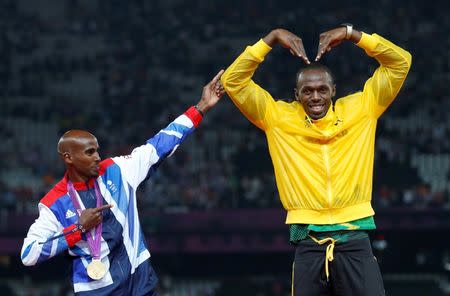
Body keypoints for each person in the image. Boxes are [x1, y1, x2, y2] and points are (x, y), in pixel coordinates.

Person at [221, 25, 411, 296]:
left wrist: (351, 34)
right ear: (296, 94)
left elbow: (400, 62)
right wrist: (270, 39)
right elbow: (233, 81)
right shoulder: (277, 117)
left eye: (322, 89)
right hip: (308, 239)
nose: (316, 97)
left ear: (333, 90)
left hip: (355, 234)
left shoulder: (363, 108)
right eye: (307, 91)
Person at [20, 70, 225, 295]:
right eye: (89, 152)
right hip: (98, 290)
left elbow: (160, 144)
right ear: (68, 158)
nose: (98, 157)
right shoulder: (54, 203)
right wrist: (78, 228)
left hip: (141, 280)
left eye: (97, 150)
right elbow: (28, 254)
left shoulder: (117, 170)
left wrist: (201, 107)